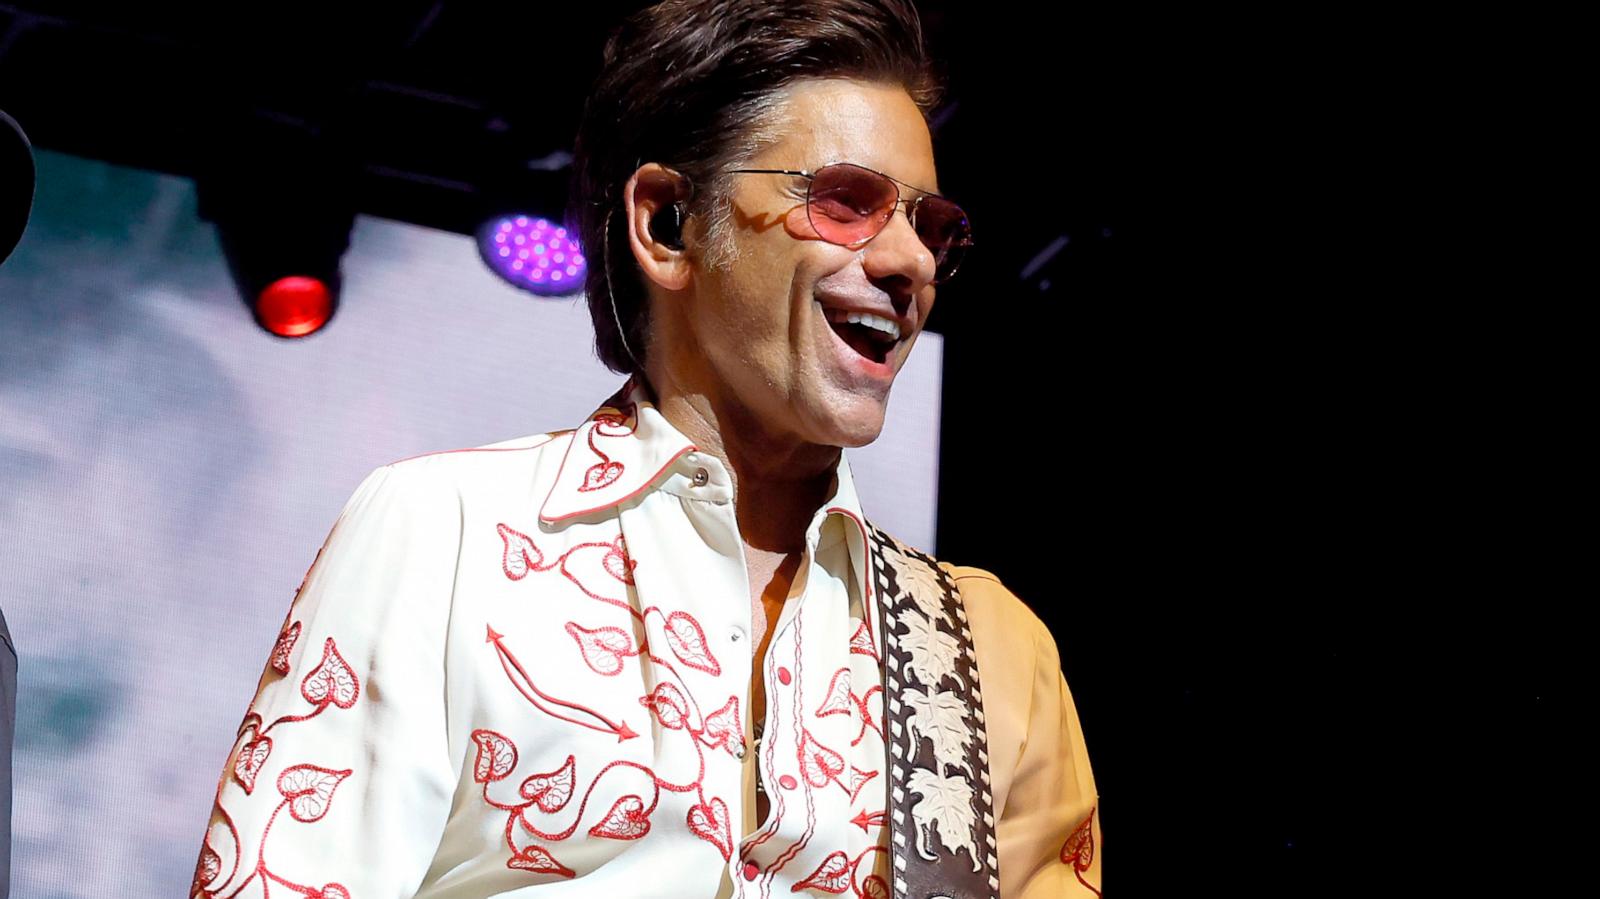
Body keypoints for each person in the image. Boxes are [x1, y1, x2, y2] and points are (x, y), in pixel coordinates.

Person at [190, 2, 1100, 897]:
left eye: (932, 227)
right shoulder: (449, 536)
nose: (912, 264)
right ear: (666, 224)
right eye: (846, 202)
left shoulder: (991, 649)